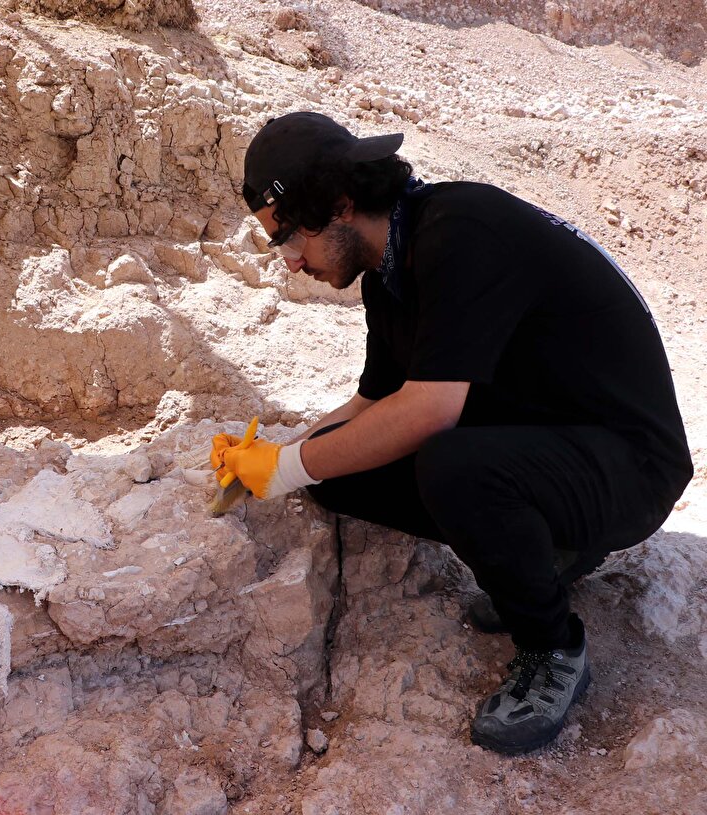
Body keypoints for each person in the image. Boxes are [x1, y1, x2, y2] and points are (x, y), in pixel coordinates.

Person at [213, 112, 692, 755]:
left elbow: (430, 411)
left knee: (452, 465)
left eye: (290, 237)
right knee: (339, 479)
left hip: (632, 467)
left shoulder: (463, 233)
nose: (291, 261)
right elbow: (375, 401)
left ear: (341, 204)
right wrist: (278, 457)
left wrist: (291, 465)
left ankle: (553, 647)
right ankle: (548, 555)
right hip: (556, 442)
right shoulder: (389, 273)